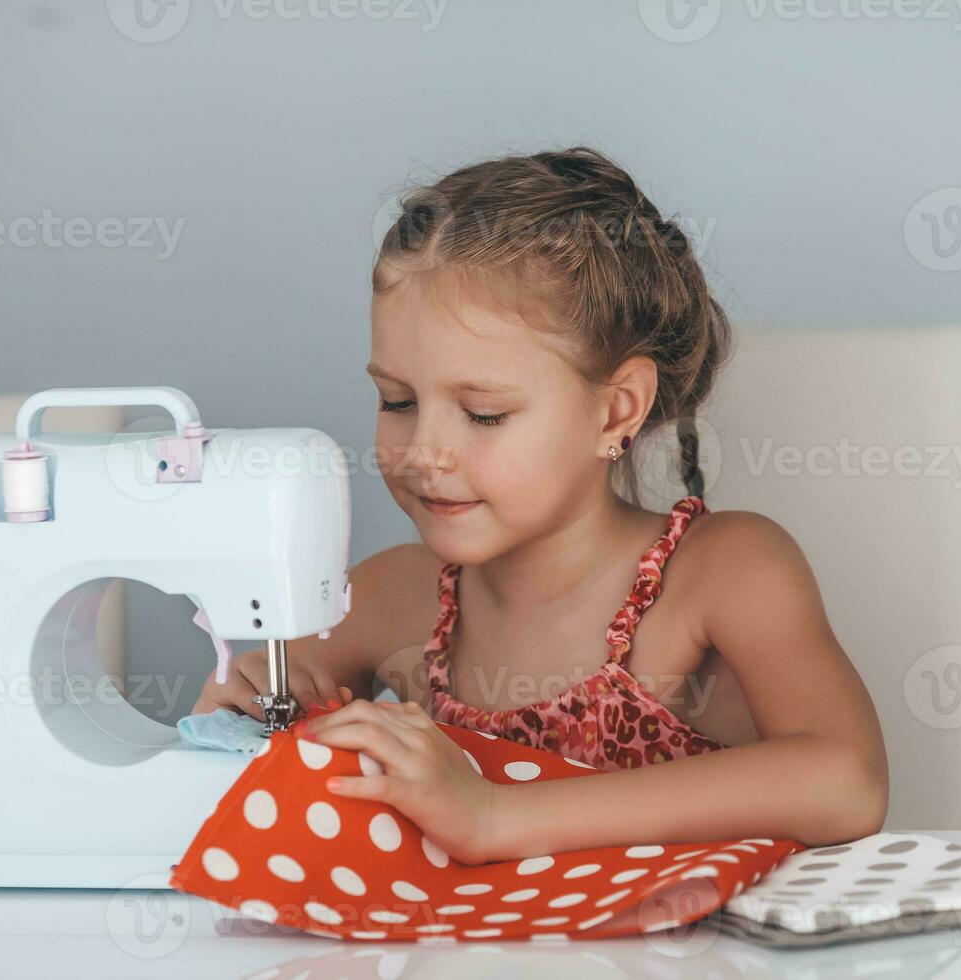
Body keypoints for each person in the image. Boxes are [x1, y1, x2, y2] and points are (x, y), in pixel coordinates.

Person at [194, 146, 888, 864]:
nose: (425, 450)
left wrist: (497, 814)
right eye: (397, 401)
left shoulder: (723, 574)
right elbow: (268, 805)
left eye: (485, 414)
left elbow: (847, 781)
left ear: (616, 411)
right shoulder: (387, 601)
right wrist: (233, 718)